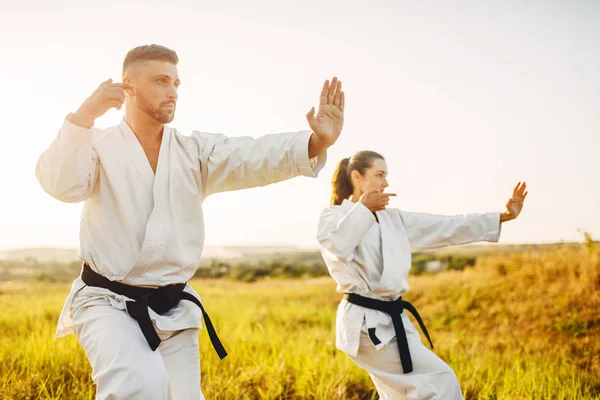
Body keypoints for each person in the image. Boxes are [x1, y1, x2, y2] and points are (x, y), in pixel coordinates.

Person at [36, 44, 344, 400]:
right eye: (162, 81)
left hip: (173, 307)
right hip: (107, 301)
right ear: (128, 86)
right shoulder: (97, 145)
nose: (173, 92)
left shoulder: (193, 152)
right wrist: (85, 114)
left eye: (177, 83)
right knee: (138, 385)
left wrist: (316, 141)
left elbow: (252, 155)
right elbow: (61, 184)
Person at [316, 151, 527, 399]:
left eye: (386, 176)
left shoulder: (393, 219)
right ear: (357, 176)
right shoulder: (333, 217)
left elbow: (447, 226)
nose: (385, 183)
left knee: (400, 395)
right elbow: (339, 247)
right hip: (365, 326)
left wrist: (504, 216)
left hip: (393, 320)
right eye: (379, 175)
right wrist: (362, 209)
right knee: (440, 380)